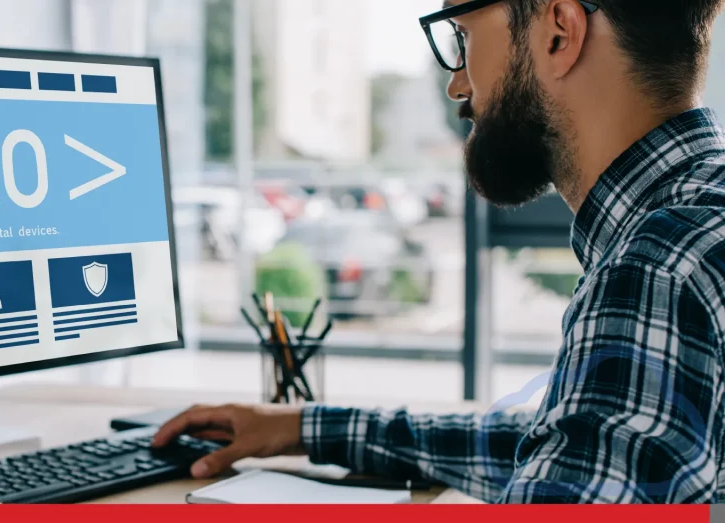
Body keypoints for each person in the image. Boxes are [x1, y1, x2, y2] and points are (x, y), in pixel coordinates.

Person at [153, 0, 725, 504]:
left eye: (464, 36)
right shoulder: (700, 223)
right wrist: (306, 427)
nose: (457, 85)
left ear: (559, 32)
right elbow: (576, 448)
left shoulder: (662, 268)